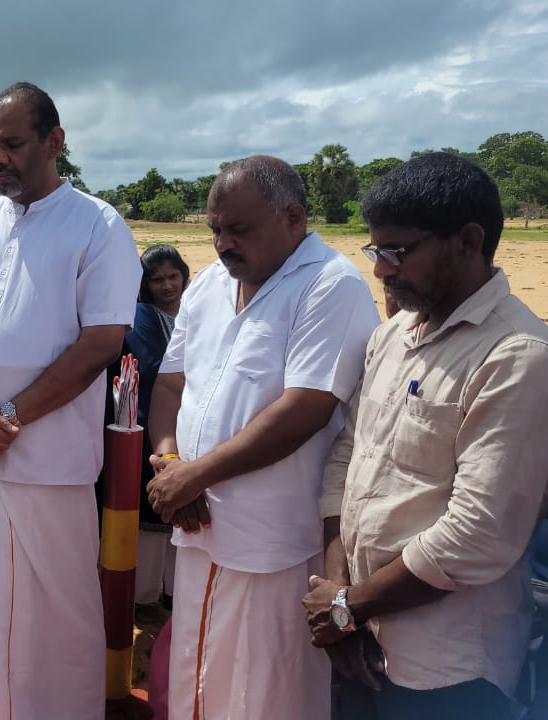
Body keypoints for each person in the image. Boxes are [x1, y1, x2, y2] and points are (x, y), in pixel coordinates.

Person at [304, 153, 548, 720]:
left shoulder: (515, 356)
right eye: (376, 252)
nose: (381, 272)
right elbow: (346, 460)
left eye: (398, 251)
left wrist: (347, 607)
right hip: (359, 638)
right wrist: (340, 598)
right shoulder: (392, 337)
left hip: (446, 667)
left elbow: (477, 534)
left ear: (468, 241)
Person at [0, 82, 140, 719]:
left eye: (13, 144)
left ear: (54, 141)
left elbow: (101, 342)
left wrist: (8, 419)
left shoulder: (98, 225)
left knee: (56, 621)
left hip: (49, 466)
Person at [145, 156, 379, 720]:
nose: (222, 244)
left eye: (239, 229)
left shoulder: (331, 285)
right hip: (197, 527)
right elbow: (171, 385)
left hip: (273, 543)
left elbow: (305, 410)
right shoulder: (208, 285)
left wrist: (194, 476)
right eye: (215, 229)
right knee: (197, 679)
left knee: (264, 693)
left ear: (293, 218)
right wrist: (170, 462)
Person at [123, 244, 190, 606]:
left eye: (173, 276)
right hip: (151, 421)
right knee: (152, 504)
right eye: (157, 279)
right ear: (144, 285)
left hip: (187, 423)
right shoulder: (141, 316)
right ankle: (146, 593)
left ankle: (173, 590)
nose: (167, 286)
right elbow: (151, 366)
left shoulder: (193, 310)